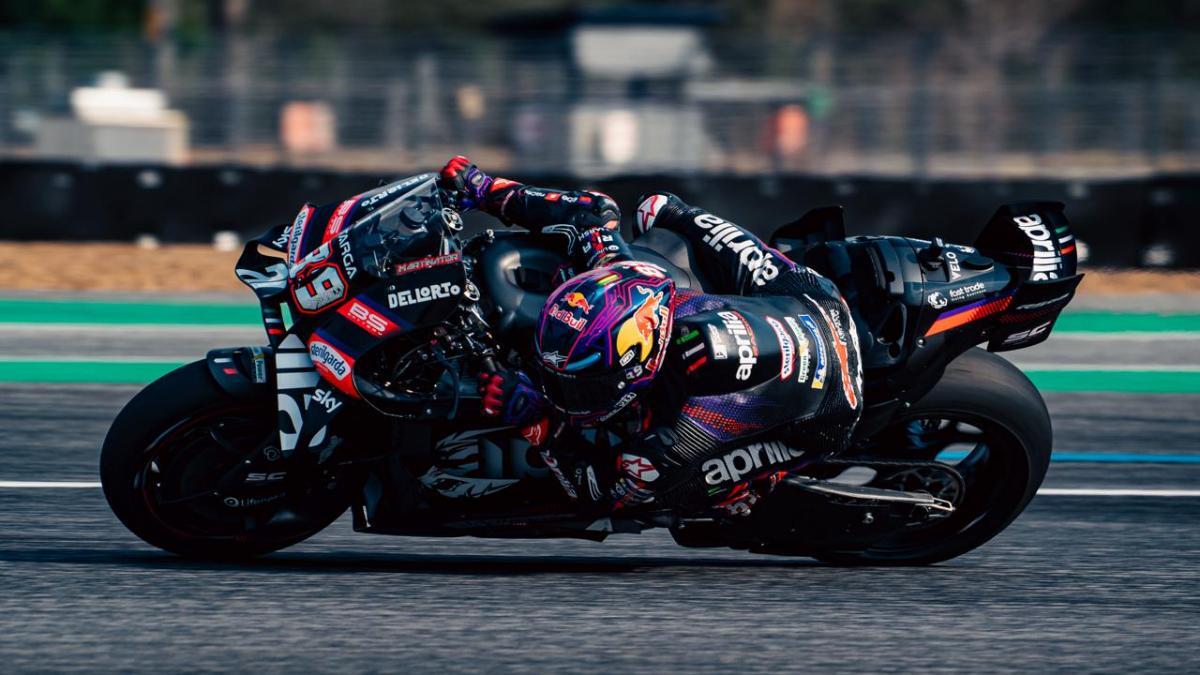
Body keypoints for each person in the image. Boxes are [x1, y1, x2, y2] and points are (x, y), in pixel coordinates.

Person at [440, 156, 863, 515]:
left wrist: (540, 424)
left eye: (584, 388)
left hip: (829, 406)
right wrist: (486, 188)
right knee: (660, 208)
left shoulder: (681, 429)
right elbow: (592, 210)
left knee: (696, 492)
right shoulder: (626, 284)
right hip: (808, 301)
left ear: (640, 370)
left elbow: (604, 493)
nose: (565, 393)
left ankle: (755, 483)